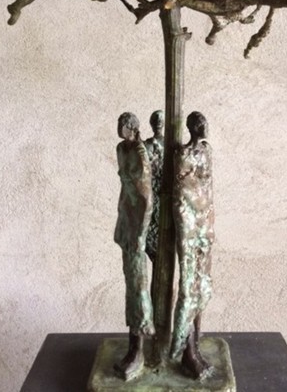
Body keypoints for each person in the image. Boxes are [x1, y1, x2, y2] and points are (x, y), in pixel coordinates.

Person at [170, 111, 214, 379]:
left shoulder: (207, 151)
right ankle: (186, 350)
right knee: (188, 286)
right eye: (199, 124)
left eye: (204, 123)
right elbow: (183, 193)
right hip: (188, 225)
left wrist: (209, 222)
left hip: (204, 225)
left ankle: (195, 342)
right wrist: (199, 211)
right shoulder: (183, 155)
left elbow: (209, 189)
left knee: (204, 283)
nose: (204, 127)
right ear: (191, 127)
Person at [114, 112, 154, 381]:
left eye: (122, 125)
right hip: (126, 222)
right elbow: (125, 189)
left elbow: (146, 197)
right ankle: (134, 346)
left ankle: (138, 346)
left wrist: (141, 233)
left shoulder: (140, 153)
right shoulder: (121, 149)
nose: (119, 129)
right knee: (130, 282)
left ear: (132, 127)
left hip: (138, 226)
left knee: (138, 286)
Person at [144, 110, 164, 267]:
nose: (158, 122)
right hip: (152, 194)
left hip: (166, 196)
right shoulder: (146, 146)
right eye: (155, 120)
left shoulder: (172, 145)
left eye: (160, 120)